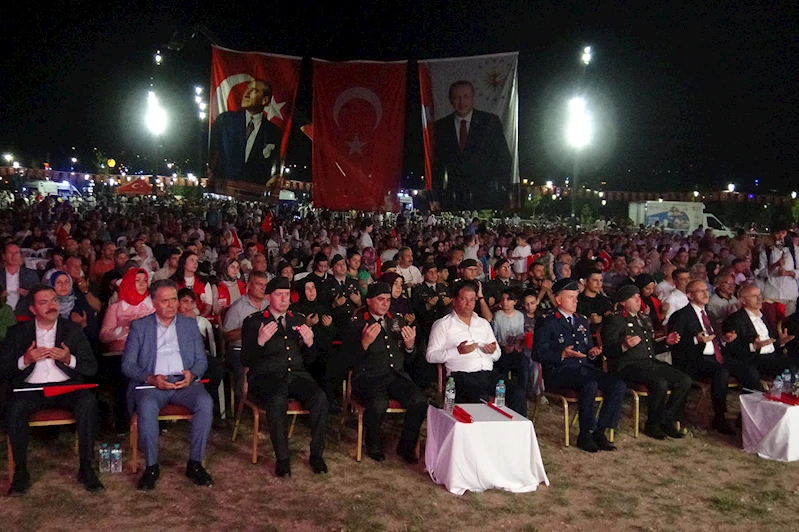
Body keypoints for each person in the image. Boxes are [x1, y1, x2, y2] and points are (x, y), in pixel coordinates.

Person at [1, 284, 103, 495]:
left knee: (88, 401)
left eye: (54, 300)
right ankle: (21, 472)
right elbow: (3, 369)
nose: (51, 306)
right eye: (44, 302)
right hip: (31, 389)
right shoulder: (18, 332)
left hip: (66, 388)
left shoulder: (72, 330)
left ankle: (86, 468)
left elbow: (91, 367)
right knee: (15, 407)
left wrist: (69, 359)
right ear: (32, 309)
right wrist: (25, 360)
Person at [121, 279, 214, 490]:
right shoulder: (140, 326)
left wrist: (193, 375)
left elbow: (202, 360)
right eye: (165, 301)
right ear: (154, 303)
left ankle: (195, 464)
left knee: (205, 403)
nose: (171, 305)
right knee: (145, 406)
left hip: (184, 383)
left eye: (174, 299)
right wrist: (151, 378)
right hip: (152, 385)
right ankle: (152, 467)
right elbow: (127, 365)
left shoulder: (189, 324)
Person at [241, 276, 328, 477]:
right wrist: (260, 341)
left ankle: (316, 455)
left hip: (296, 375)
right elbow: (245, 360)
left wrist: (310, 343)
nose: (284, 299)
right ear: (269, 297)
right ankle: (282, 458)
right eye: (279, 295)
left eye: (287, 294)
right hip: (266, 376)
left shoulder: (296, 319)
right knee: (277, 399)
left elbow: (311, 360)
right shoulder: (254, 321)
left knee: (320, 398)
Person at [532, 279, 625, 452]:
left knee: (617, 384)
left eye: (576, 297)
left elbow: (586, 348)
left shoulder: (581, 320)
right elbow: (537, 353)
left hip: (582, 368)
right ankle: (585, 434)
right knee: (590, 384)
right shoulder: (548, 321)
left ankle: (600, 431)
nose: (576, 301)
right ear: (559, 300)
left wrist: (592, 351)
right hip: (558, 371)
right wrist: (561, 354)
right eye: (571, 297)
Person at [345, 282, 427, 463]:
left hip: (395, 375)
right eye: (380, 299)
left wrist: (410, 346)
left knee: (420, 401)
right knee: (378, 402)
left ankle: (406, 446)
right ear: (368, 301)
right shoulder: (357, 323)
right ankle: (372, 443)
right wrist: (364, 343)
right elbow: (347, 360)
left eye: (388, 300)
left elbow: (410, 360)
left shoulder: (396, 320)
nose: (385, 303)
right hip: (367, 377)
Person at [667, 280, 757, 435]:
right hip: (694, 358)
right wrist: (696, 340)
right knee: (721, 372)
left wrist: (725, 339)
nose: (705, 293)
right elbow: (675, 344)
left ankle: (745, 416)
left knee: (750, 372)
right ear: (689, 295)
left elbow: (716, 338)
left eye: (706, 290)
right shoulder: (681, 315)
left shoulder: (710, 315)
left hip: (716, 355)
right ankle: (719, 417)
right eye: (700, 291)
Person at [601, 285, 691, 440]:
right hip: (627, 365)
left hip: (649, 362)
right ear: (623, 302)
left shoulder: (644, 318)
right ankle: (653, 425)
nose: (638, 300)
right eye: (633, 298)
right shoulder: (615, 320)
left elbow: (650, 348)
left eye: (638, 296)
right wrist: (624, 346)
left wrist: (666, 342)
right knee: (659, 383)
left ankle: (667, 420)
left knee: (684, 380)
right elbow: (608, 351)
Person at [426, 281, 527, 415]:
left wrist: (491, 352)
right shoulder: (443, 325)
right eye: (464, 299)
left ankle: (513, 434)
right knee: (481, 399)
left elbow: (497, 353)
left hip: (488, 374)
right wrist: (457, 351)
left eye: (472, 300)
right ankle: (484, 433)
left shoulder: (483, 323)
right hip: (461, 376)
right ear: (454, 301)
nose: (469, 304)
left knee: (517, 393)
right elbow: (430, 356)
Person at [431, 80, 512, 211]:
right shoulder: (441, 127)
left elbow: (503, 159)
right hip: (454, 198)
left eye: (466, 97)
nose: (462, 102)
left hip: (486, 197)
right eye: (457, 97)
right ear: (450, 100)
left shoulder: (490, 122)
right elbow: (437, 165)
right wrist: (436, 196)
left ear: (473, 97)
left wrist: (501, 190)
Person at [209, 79, 283, 184]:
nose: (246, 93)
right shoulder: (225, 120)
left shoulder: (273, 132)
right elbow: (212, 151)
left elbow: (274, 165)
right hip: (223, 187)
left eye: (254, 90)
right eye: (247, 89)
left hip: (253, 193)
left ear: (265, 100)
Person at [721, 283, 797, 380]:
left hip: (773, 355)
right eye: (754, 296)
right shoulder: (735, 319)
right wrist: (754, 346)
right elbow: (732, 349)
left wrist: (779, 342)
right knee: (790, 368)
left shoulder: (763, 316)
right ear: (743, 300)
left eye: (760, 295)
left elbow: (769, 343)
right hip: (755, 358)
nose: (759, 298)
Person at [222, 271, 270, 403]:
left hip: (265, 347)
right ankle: (245, 403)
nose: (263, 288)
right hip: (240, 349)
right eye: (259, 284)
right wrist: (249, 329)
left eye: (265, 285)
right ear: (249, 285)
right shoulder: (238, 307)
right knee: (245, 367)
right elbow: (226, 336)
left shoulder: (269, 305)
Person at [491, 287, 529, 392]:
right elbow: (495, 335)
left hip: (516, 348)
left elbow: (521, 334)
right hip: (502, 349)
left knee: (524, 362)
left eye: (508, 299)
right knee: (503, 364)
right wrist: (504, 346)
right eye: (503, 299)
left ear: (515, 302)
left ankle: (522, 391)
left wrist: (516, 345)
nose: (505, 302)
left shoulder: (520, 316)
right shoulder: (498, 315)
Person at [0, 243, 40, 318]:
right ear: (4, 256)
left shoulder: (31, 274)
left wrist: (28, 293)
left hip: (24, 313)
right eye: (10, 253)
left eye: (16, 253)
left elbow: (39, 294)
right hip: (2, 313)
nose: (14, 255)